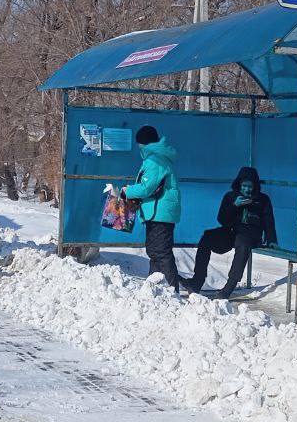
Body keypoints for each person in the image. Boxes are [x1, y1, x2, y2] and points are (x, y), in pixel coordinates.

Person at [184, 166, 277, 299]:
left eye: (250, 187)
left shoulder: (263, 199)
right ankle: (196, 282)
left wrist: (272, 240)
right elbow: (221, 219)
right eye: (244, 186)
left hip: (250, 235)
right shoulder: (230, 196)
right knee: (207, 237)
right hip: (231, 232)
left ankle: (229, 287)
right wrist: (234, 206)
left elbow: (269, 221)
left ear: (255, 186)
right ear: (239, 184)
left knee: (243, 244)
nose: (247, 189)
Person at [117, 125, 183, 296]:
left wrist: (127, 191)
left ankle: (171, 290)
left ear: (143, 143)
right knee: (155, 251)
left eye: (139, 143)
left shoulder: (155, 160)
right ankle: (156, 288)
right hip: (157, 211)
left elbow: (147, 188)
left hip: (160, 212)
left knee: (161, 252)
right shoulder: (156, 158)